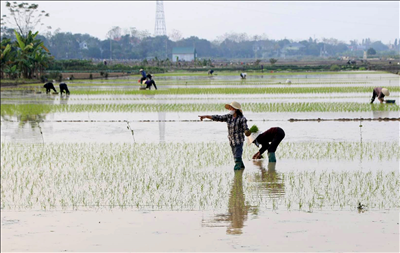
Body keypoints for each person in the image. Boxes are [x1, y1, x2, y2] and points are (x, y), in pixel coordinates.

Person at [198, 101, 249, 171]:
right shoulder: (229, 117)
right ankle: (242, 169)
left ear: (235, 109)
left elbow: (245, 128)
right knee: (236, 157)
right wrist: (206, 116)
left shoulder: (242, 119)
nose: (230, 110)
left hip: (238, 141)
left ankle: (237, 175)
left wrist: (247, 132)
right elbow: (218, 117)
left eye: (231, 108)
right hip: (232, 141)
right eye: (229, 108)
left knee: (237, 158)